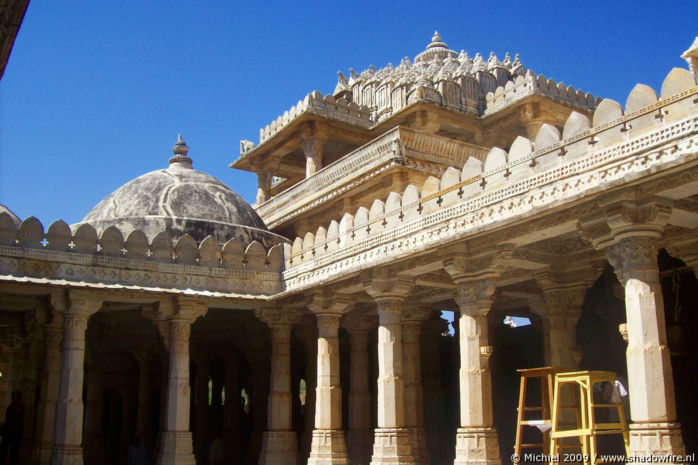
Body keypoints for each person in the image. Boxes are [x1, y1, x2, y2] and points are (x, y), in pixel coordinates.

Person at [0, 391, 24, 465]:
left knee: (13, 451)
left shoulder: (18, 407)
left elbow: (17, 420)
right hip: (9, 431)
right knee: (5, 449)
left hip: (14, 432)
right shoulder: (11, 406)